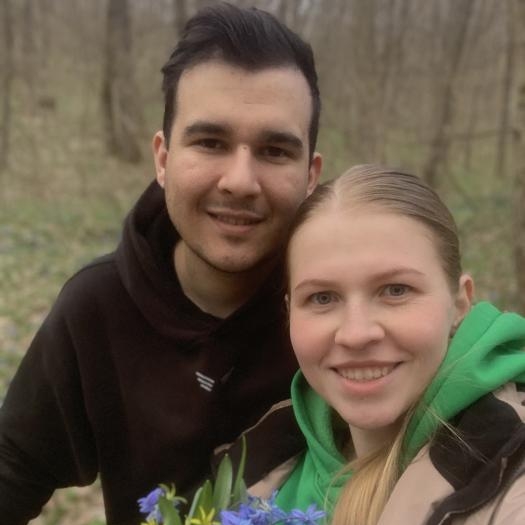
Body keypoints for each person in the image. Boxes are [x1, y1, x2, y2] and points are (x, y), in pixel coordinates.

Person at [0, 4, 322, 525]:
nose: (240, 181)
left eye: (275, 150)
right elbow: (13, 468)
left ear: (311, 174)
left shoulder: (344, 311)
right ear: (163, 158)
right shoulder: (98, 307)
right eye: (210, 142)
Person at [241, 165, 525, 524]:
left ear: (459, 303)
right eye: (322, 297)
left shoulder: (510, 469)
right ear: (289, 312)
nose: (356, 334)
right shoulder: (258, 465)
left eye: (396, 290)